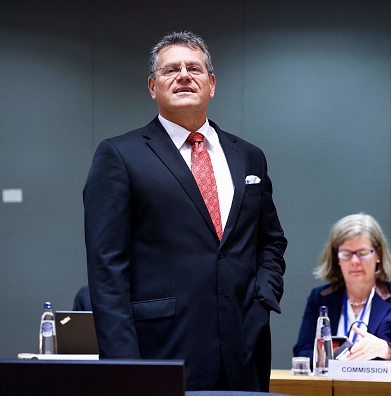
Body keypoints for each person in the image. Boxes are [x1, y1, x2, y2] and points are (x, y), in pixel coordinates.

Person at [83, 31, 287, 392]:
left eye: (194, 68)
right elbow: (107, 267)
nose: (183, 76)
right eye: (170, 70)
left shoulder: (249, 156)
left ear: (211, 84)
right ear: (152, 86)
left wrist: (263, 298)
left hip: (245, 346)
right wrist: (122, 365)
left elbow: (270, 240)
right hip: (160, 350)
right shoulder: (120, 156)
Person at [293, 213, 391, 365]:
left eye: (363, 254)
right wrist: (331, 358)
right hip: (331, 386)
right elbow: (302, 353)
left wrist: (386, 350)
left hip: (379, 388)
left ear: (378, 254)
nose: (354, 261)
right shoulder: (320, 298)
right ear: (336, 257)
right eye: (346, 254)